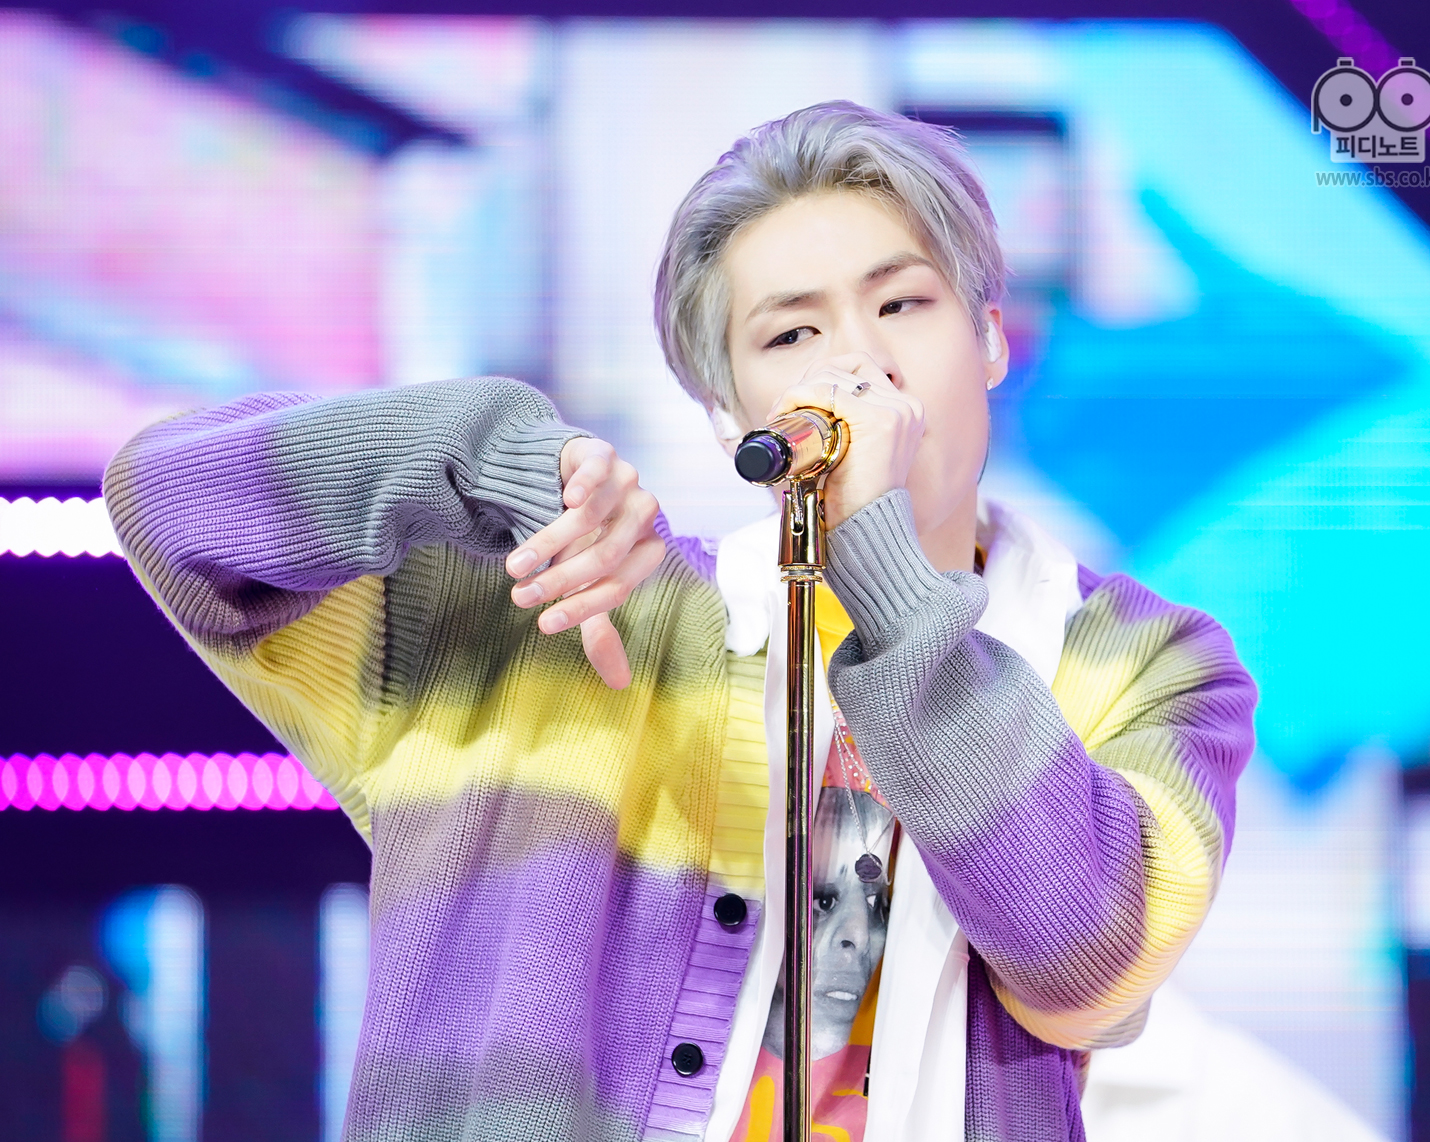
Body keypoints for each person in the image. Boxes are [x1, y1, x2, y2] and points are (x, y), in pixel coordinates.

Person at [103, 101, 1255, 1142]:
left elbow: (1088, 964)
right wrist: (493, 458)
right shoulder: (557, 608)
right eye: (792, 335)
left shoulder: (1146, 660)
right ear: (725, 415)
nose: (860, 364)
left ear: (991, 338)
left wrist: (885, 564)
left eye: (902, 304)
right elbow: (169, 507)